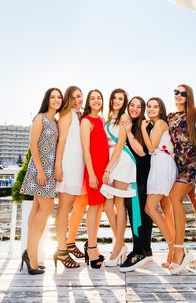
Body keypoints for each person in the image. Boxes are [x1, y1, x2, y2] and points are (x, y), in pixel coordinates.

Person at [167, 84, 196, 275]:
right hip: (178, 164)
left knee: (174, 198)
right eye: (176, 92)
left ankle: (179, 250)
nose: (178, 95)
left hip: (194, 164)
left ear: (189, 96)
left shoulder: (195, 112)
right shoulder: (170, 117)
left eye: (183, 93)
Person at [20, 87, 63, 275]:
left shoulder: (55, 121)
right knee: (45, 210)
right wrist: (40, 170)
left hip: (47, 169)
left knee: (37, 211)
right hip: (41, 169)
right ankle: (32, 257)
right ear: (47, 99)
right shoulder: (41, 118)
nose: (56, 100)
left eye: (59, 97)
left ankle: (30, 253)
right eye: (52, 97)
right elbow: (33, 145)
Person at [100, 88, 136, 266]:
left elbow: (121, 144)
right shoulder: (109, 119)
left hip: (122, 161)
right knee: (108, 205)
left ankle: (118, 247)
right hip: (111, 159)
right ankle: (120, 243)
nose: (116, 101)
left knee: (119, 203)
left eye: (120, 99)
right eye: (114, 98)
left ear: (124, 101)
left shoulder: (124, 117)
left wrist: (107, 169)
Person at [119, 96, 154, 272]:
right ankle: (145, 250)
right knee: (139, 211)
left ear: (142, 109)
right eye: (131, 105)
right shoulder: (126, 123)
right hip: (131, 175)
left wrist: (130, 132)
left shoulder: (144, 126)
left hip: (143, 175)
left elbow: (141, 152)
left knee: (137, 212)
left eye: (138, 106)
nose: (134, 108)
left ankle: (138, 251)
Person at [142, 97, 177, 269]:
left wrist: (142, 128)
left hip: (162, 163)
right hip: (160, 162)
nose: (151, 109)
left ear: (161, 108)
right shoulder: (157, 124)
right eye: (149, 106)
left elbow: (150, 147)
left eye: (155, 106)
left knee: (149, 207)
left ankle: (173, 246)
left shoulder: (160, 123)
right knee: (166, 207)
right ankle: (173, 252)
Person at [53, 86, 86, 269]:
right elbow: (62, 140)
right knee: (64, 209)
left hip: (78, 166)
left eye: (79, 96)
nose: (77, 101)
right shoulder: (66, 115)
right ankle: (61, 250)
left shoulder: (80, 115)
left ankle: (69, 243)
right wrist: (58, 165)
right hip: (68, 166)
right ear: (67, 100)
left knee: (76, 206)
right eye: (73, 98)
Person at [80, 89, 109, 269]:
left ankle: (93, 245)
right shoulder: (86, 121)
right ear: (88, 102)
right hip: (93, 169)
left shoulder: (102, 120)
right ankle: (91, 247)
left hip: (104, 169)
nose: (96, 101)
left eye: (99, 98)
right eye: (93, 98)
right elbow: (86, 149)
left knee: (99, 208)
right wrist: (91, 173)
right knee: (94, 206)